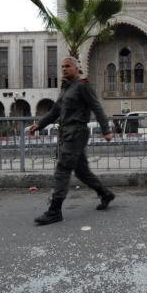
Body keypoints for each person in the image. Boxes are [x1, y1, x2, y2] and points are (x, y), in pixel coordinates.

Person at [28, 56, 115, 225]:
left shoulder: (83, 86)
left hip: (77, 133)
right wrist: (38, 125)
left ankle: (54, 211)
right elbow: (55, 112)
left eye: (68, 66)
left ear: (76, 68)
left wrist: (106, 130)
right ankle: (105, 194)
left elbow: (97, 107)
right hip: (66, 134)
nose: (64, 69)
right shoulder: (66, 89)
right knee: (82, 172)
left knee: (62, 168)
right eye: (62, 66)